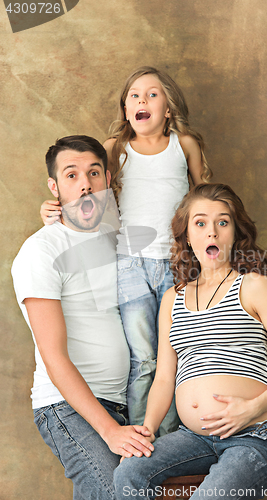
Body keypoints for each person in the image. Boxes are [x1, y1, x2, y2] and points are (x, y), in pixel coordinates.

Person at [40, 67, 212, 435]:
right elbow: (86, 195)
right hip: (130, 266)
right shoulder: (114, 149)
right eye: (134, 95)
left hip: (177, 265)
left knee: (175, 355)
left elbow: (206, 199)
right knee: (144, 358)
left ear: (167, 108)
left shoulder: (184, 145)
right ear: (125, 108)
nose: (142, 101)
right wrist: (51, 207)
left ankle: (174, 440)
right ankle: (141, 438)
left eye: (152, 94)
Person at [113, 183, 267, 500]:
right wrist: (146, 431)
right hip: (195, 438)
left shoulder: (254, 286)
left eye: (223, 222)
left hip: (256, 434)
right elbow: (164, 377)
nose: (212, 232)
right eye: (200, 223)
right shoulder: (172, 299)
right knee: (128, 474)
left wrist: (250, 410)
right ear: (187, 236)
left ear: (235, 232)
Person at [11, 135, 154, 500]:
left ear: (107, 179)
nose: (85, 183)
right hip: (67, 406)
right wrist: (109, 431)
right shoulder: (40, 251)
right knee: (116, 493)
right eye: (71, 175)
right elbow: (53, 355)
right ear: (54, 187)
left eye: (93, 172)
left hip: (125, 401)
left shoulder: (115, 238)